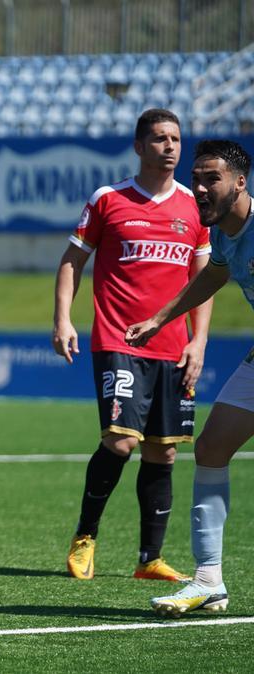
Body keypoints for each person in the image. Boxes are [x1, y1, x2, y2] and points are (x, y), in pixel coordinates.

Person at [52, 108, 212, 583]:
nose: (170, 147)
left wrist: (198, 342)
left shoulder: (193, 207)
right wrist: (62, 319)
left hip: (173, 349)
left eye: (176, 139)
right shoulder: (108, 199)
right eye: (160, 138)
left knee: (163, 453)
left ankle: (149, 559)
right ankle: (85, 538)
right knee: (120, 443)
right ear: (139, 146)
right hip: (118, 342)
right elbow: (71, 261)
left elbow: (202, 282)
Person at [127, 140, 254, 617]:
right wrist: (161, 319)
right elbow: (213, 277)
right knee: (211, 447)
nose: (198, 187)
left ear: (240, 182)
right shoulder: (222, 232)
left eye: (211, 179)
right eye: (196, 178)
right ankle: (208, 581)